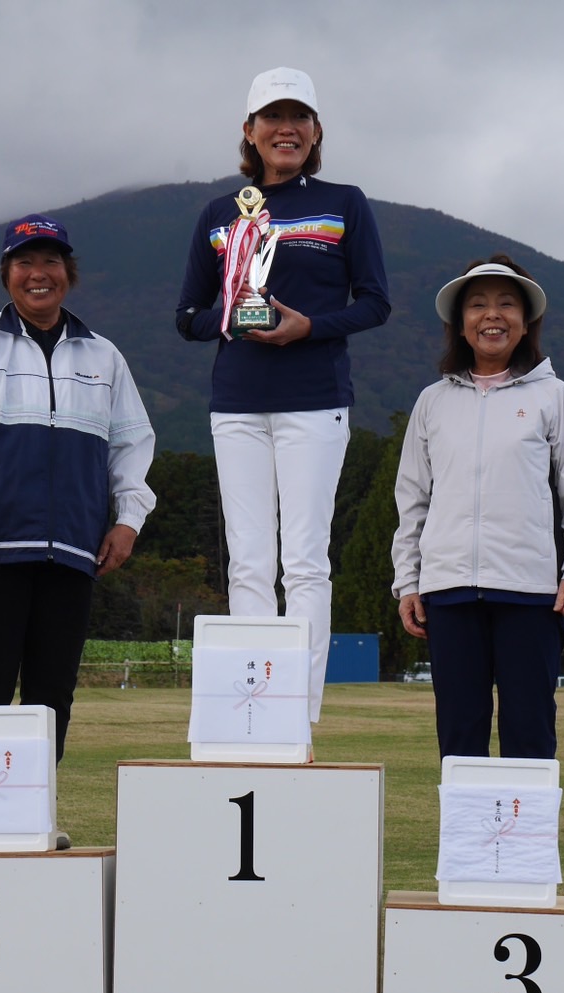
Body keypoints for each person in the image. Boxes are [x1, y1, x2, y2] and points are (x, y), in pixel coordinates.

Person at [175, 67, 390, 720]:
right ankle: (251, 711)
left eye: (299, 117)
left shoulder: (344, 203)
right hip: (236, 405)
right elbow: (188, 316)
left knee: (303, 563)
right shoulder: (221, 215)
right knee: (247, 563)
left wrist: (307, 327)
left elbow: (376, 302)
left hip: (314, 401)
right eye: (272, 116)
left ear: (316, 131)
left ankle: (299, 714)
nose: (286, 127)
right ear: (249, 130)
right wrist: (233, 319)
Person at [0, 212, 156, 768]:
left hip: (75, 550)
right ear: (6, 274)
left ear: (68, 273)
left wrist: (128, 521)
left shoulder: (103, 355)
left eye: (51, 261)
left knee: (53, 694)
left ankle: (32, 816)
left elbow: (132, 443)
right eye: (24, 262)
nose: (38, 273)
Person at [390, 255, 564, 760]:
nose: (493, 315)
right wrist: (409, 581)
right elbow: (412, 500)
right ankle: (466, 843)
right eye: (479, 304)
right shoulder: (432, 402)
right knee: (460, 737)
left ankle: (526, 842)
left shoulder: (554, 396)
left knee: (530, 733)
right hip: (449, 592)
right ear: (460, 323)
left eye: (508, 303)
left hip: (531, 593)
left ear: (526, 321)